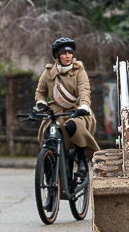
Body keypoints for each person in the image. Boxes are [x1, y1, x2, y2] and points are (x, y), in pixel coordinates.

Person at [33, 36, 100, 168]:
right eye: (64, 53)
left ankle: (81, 158)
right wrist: (41, 103)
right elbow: (40, 92)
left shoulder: (79, 71)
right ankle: (49, 172)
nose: (68, 56)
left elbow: (84, 91)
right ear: (57, 56)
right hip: (55, 113)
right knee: (48, 138)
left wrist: (84, 105)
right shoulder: (48, 73)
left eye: (70, 53)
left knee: (73, 125)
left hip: (76, 111)